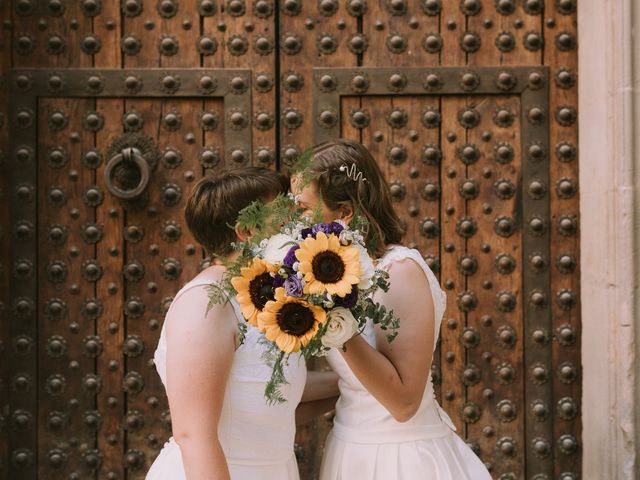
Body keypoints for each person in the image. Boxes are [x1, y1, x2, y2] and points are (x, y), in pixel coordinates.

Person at [292, 140, 491, 480]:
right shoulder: (325, 271)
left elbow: (403, 403)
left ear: (344, 213)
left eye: (303, 209)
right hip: (348, 452)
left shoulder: (399, 273)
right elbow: (351, 381)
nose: (293, 221)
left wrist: (335, 321)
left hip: (400, 460)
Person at [146, 167, 336, 480]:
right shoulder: (206, 303)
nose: (297, 222)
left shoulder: (259, 296)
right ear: (246, 231)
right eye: (283, 213)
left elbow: (260, 392)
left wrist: (350, 385)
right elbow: (194, 435)